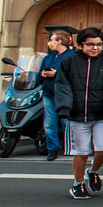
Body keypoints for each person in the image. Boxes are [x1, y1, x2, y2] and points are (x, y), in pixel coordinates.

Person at [55, 28, 103, 200]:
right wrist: (64, 108)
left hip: (101, 113)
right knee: (81, 152)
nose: (95, 48)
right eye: (91, 44)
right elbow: (61, 85)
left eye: (99, 44)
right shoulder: (69, 61)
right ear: (81, 44)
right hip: (78, 114)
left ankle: (93, 171)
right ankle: (77, 184)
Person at [39, 30, 75, 161]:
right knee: (49, 124)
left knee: (66, 122)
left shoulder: (72, 56)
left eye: (52, 40)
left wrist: (56, 73)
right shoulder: (48, 58)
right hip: (48, 93)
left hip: (64, 94)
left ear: (59, 41)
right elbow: (39, 77)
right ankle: (52, 149)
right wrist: (42, 74)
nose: (50, 43)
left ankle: (70, 147)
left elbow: (74, 75)